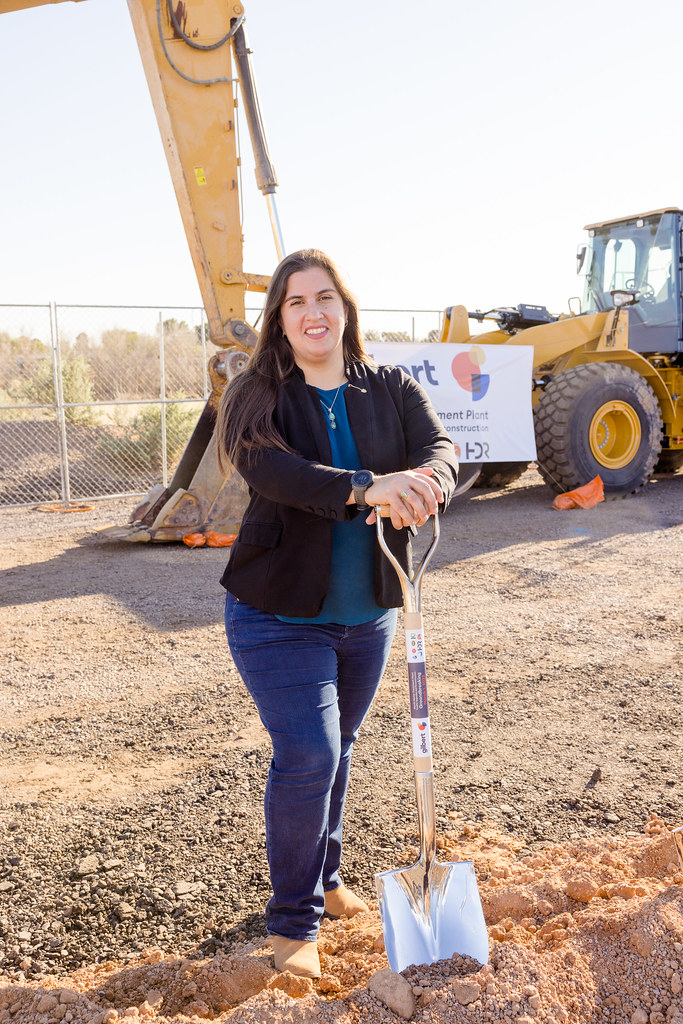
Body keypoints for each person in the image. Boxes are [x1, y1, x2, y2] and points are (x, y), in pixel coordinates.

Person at [216, 249, 458, 977]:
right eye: (296, 302)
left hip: (371, 613)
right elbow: (267, 467)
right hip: (277, 614)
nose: (313, 311)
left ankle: (325, 877)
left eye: (325, 297)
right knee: (310, 754)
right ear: (279, 320)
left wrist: (426, 480)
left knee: (341, 747)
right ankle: (293, 927)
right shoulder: (257, 391)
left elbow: (440, 446)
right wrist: (365, 485)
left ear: (345, 308)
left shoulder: (385, 385)